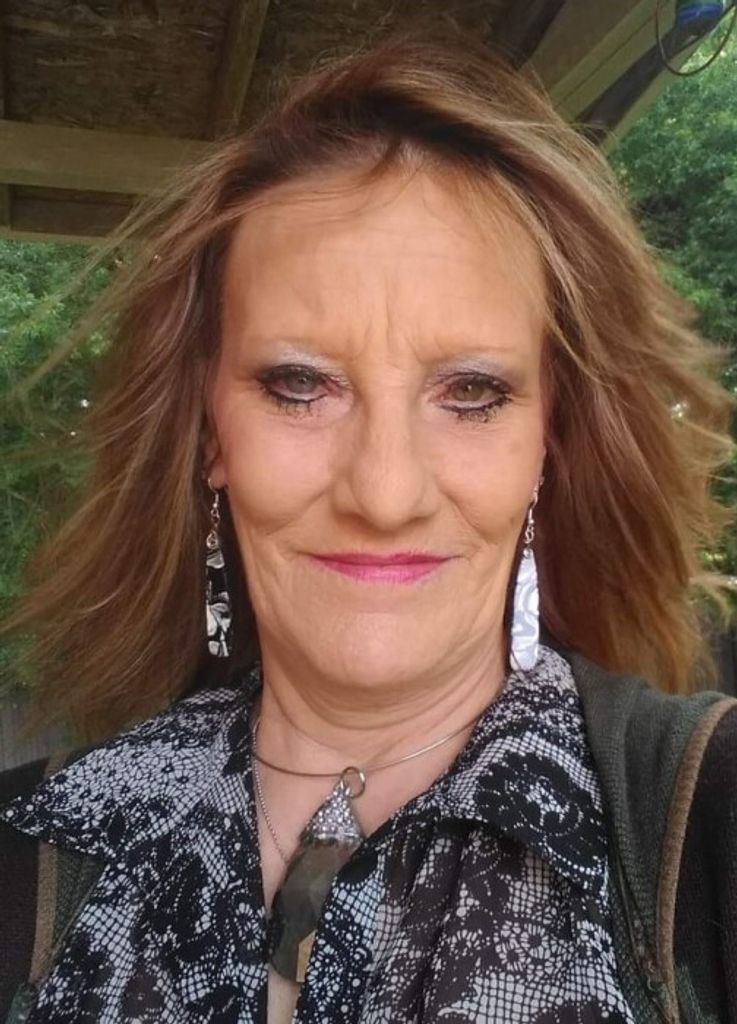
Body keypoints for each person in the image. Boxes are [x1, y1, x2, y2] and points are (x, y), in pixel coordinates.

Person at [0, 27, 736, 1024]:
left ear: (547, 445)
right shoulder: (31, 855)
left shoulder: (708, 821)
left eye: (470, 392)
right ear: (210, 432)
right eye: (299, 385)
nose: (384, 494)